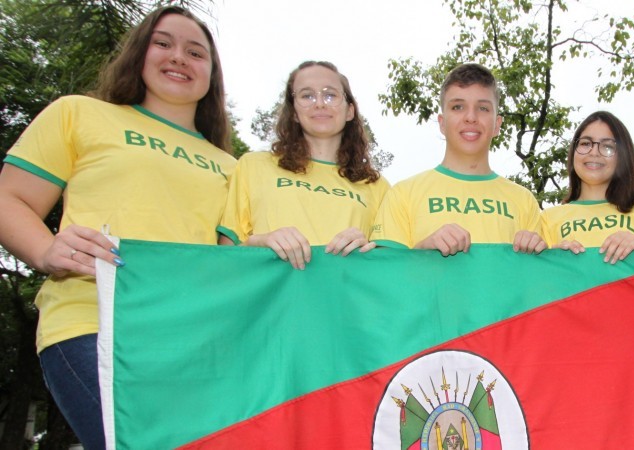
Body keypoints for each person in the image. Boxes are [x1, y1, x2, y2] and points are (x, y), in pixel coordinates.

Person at [0, 6, 235, 448]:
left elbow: (234, 253)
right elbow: (9, 199)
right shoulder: (79, 114)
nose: (179, 57)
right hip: (93, 321)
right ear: (138, 53)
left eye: (195, 52)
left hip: (198, 343)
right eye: (163, 43)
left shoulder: (234, 166)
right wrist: (45, 250)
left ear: (211, 76)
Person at [217, 61, 389, 270]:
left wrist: (368, 251)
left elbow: (389, 268)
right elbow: (223, 261)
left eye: (330, 95)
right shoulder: (253, 166)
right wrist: (259, 242)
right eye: (307, 95)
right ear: (294, 112)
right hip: (273, 300)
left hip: (343, 300)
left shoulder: (378, 186)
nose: (319, 103)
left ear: (350, 111)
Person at [370, 63, 545, 255]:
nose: (471, 117)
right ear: (442, 123)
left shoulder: (525, 201)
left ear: (497, 125)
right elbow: (385, 277)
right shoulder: (402, 194)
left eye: (483, 108)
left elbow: (537, 282)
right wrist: (422, 251)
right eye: (458, 107)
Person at [542, 111, 634, 263]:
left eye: (607, 146)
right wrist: (554, 261)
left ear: (622, 156)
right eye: (585, 143)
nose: (594, 152)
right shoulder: (547, 219)